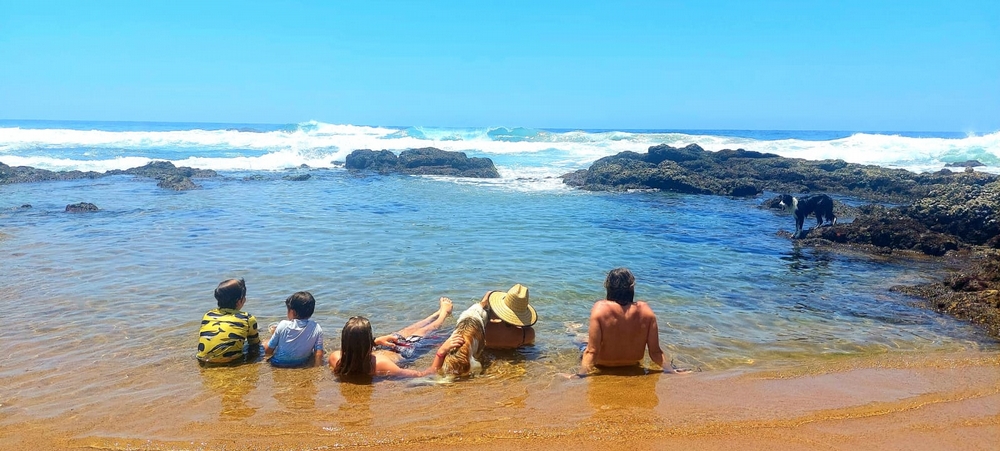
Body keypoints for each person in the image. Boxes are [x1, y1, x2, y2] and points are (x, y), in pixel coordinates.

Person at [578, 268, 688, 376]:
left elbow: (592, 352)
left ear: (608, 287)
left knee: (580, 342)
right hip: (632, 365)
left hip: (602, 366)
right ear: (632, 287)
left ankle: (573, 332)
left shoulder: (600, 309)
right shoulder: (646, 311)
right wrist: (671, 370)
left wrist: (580, 375)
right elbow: (655, 353)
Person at [328, 297, 464, 378]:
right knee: (425, 330)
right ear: (366, 342)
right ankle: (444, 313)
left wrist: (376, 342)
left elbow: (356, 348)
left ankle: (435, 314)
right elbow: (424, 374)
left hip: (382, 347)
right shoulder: (381, 364)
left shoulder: (335, 358)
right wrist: (441, 352)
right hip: (404, 351)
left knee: (406, 330)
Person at [197, 278, 262, 365]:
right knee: (256, 347)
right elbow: (254, 343)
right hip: (232, 361)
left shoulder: (208, 315)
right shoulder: (247, 318)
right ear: (240, 301)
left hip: (203, 359)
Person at [264, 291, 324, 367]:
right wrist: (317, 368)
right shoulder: (316, 327)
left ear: (293, 312)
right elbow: (319, 353)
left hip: (278, 363)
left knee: (266, 342)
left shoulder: (283, 325)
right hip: (302, 362)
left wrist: (274, 334)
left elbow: (269, 350)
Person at [476, 284, 537, 349]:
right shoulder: (527, 335)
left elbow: (476, 314)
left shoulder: (482, 329)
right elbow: (529, 345)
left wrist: (484, 304)